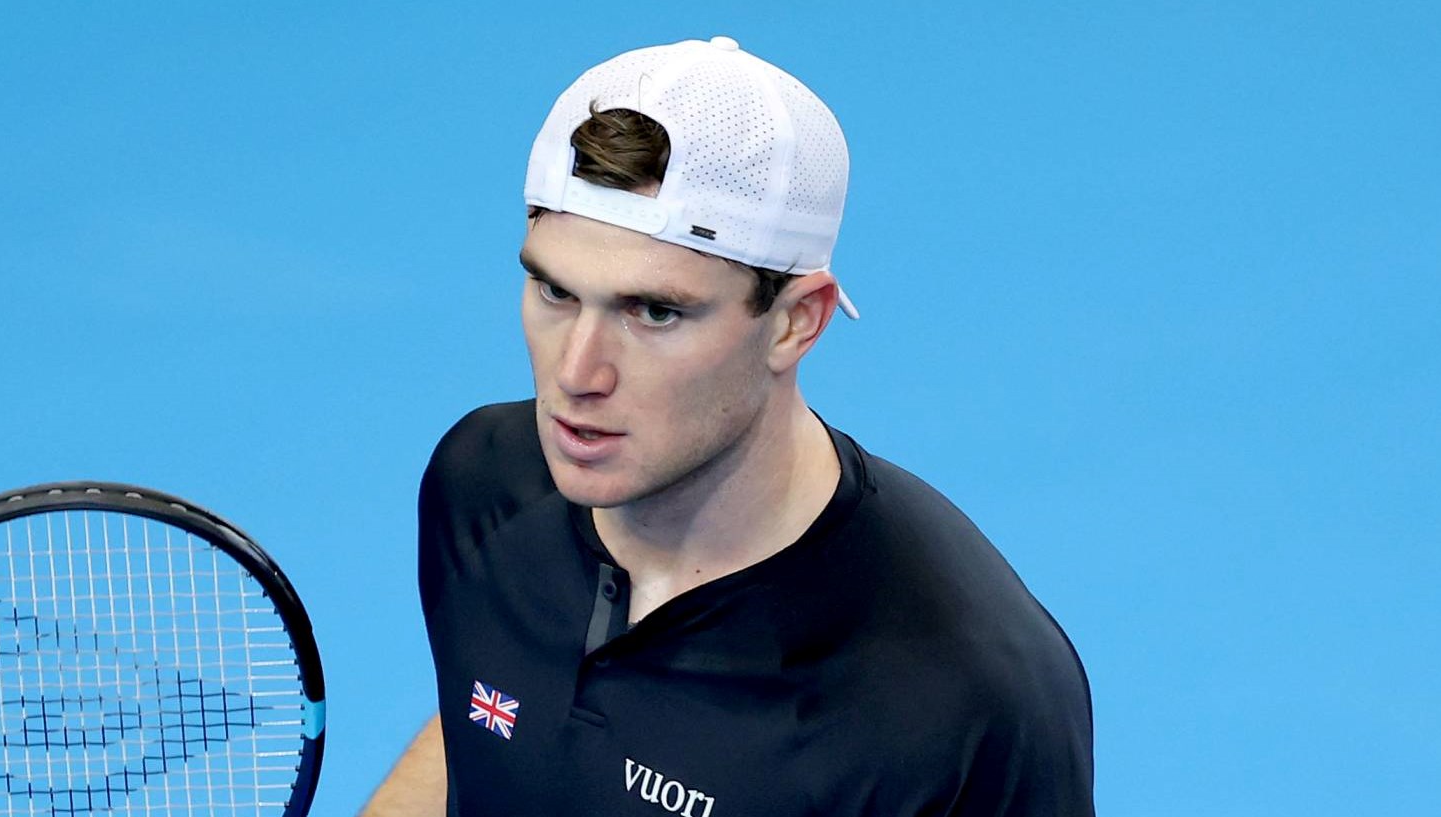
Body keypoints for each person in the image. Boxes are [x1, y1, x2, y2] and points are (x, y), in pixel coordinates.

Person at [362, 36, 1094, 816]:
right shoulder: (482, 483)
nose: (577, 374)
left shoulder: (957, 701)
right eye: (554, 292)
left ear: (794, 322)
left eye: (654, 311)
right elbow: (493, 724)